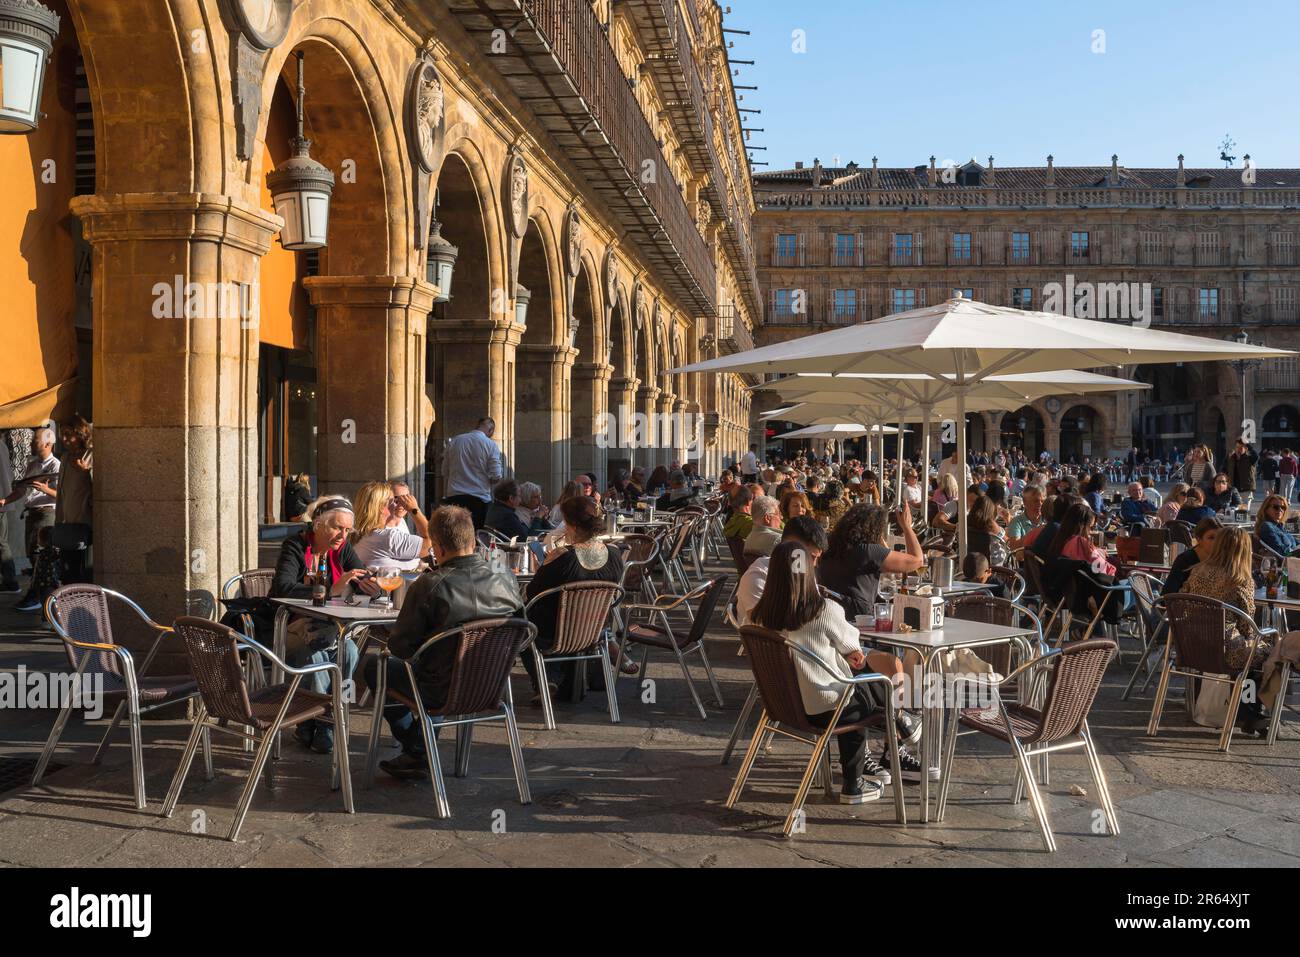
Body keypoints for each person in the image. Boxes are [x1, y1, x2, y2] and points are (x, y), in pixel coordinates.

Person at [750, 541, 924, 802]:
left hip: (784, 706)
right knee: (860, 680)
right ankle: (862, 772)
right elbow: (853, 648)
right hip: (827, 709)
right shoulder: (824, 610)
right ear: (808, 572)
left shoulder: (758, 617)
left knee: (855, 677)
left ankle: (899, 721)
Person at [360, 506, 524, 779]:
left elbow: (401, 648)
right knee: (434, 667)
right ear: (473, 542)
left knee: (376, 667)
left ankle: (417, 748)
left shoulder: (429, 585)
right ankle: (419, 749)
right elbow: (521, 631)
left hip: (439, 690)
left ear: (437, 547)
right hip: (492, 686)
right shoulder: (505, 577)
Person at [270, 495, 379, 752]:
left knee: (349, 650)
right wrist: (330, 590)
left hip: (329, 629)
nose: (342, 535)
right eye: (337, 527)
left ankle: (312, 724)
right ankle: (325, 723)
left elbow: (363, 577)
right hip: (289, 627)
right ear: (319, 525)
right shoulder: (295, 546)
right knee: (319, 654)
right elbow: (282, 588)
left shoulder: (343, 548)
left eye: (347, 529)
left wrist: (374, 589)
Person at [524, 495, 632, 700]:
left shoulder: (563, 557)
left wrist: (545, 565)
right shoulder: (615, 555)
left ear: (570, 525)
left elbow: (533, 593)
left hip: (556, 631)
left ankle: (544, 680)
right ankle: (606, 642)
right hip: (593, 628)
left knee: (521, 623)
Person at [816, 501, 925, 621]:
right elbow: (917, 560)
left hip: (827, 612)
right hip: (858, 617)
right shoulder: (868, 551)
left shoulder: (830, 544)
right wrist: (907, 527)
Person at [2, 428, 60, 613]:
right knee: (31, 555)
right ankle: (37, 595)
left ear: (48, 444)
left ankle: (38, 597)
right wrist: (5, 500)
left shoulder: (56, 466)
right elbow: (22, 491)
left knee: (40, 556)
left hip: (46, 513)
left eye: (35, 440)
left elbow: (61, 495)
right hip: (31, 514)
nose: (31, 444)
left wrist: (45, 489)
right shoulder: (33, 464)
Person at [737, 515, 826, 625]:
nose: (814, 564)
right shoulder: (758, 576)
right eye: (811, 557)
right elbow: (762, 626)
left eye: (817, 558)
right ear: (790, 546)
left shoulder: (801, 571)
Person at [351, 480, 431, 570]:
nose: (402, 504)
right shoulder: (387, 538)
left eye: (406, 499)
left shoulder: (363, 533)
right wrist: (414, 510)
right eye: (394, 500)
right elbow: (432, 543)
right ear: (380, 507)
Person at [52, 416, 93, 587]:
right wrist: (58, 519)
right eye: (63, 434)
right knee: (68, 574)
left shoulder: (90, 455)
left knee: (83, 573)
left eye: (69, 434)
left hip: (84, 524)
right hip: (66, 524)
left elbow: (103, 490)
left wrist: (86, 472)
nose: (64, 439)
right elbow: (61, 491)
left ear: (80, 434)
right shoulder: (65, 457)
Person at [440, 417, 503, 528]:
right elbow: (496, 476)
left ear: (477, 426)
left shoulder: (455, 440)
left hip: (455, 497)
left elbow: (444, 471)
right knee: (476, 536)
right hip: (479, 499)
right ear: (491, 431)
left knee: (455, 535)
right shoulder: (490, 445)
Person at [1162, 517, 1222, 595]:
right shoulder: (1185, 560)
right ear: (1199, 539)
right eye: (1211, 538)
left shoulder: (1222, 558)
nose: (1216, 542)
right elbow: (1167, 594)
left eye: (1219, 538)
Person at [0, 432, 17, 593]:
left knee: (1, 542)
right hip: (3, 499)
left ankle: (10, 581)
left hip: (1, 500)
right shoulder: (3, 445)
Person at [1007, 485, 1044, 550]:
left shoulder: (1047, 520)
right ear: (1025, 502)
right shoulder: (1017, 521)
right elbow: (1014, 546)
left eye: (1042, 501)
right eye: (1036, 501)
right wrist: (1035, 533)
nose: (1040, 504)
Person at [1229, 438, 1258, 511]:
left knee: (1244, 512)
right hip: (1233, 489)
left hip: (1246, 489)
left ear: (1246, 448)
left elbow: (1256, 455)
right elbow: (1224, 470)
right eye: (1237, 447)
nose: (1239, 449)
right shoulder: (1231, 458)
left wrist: (1247, 443)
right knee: (1233, 511)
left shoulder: (1250, 458)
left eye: (1241, 447)